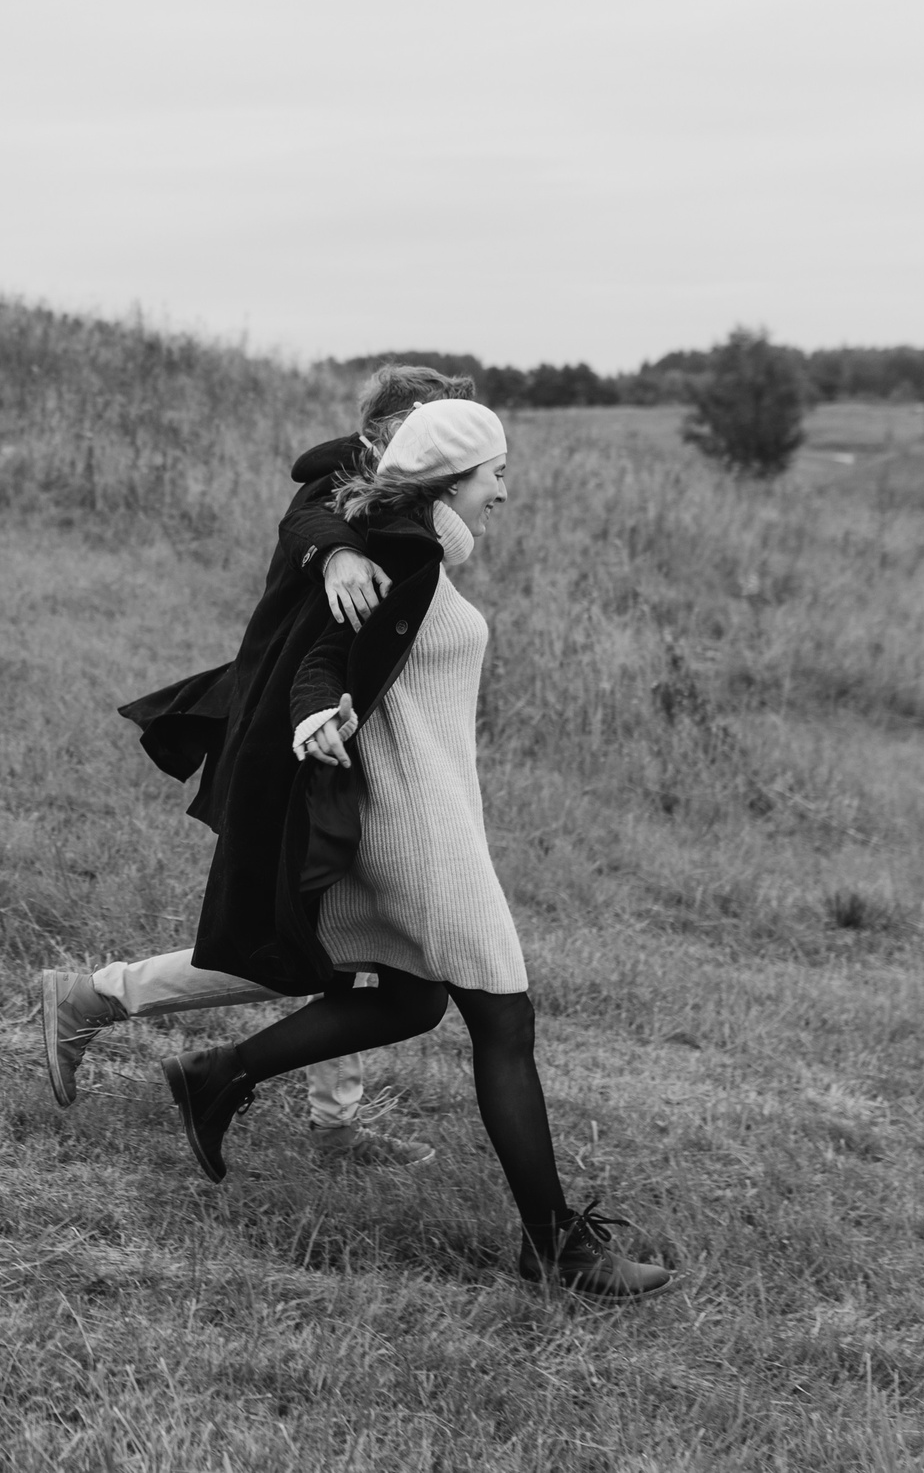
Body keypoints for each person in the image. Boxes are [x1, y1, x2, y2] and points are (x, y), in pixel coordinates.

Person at [158, 399, 676, 1299]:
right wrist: (316, 707)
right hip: (416, 824)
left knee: (410, 999)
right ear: (450, 478)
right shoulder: (403, 549)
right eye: (495, 473)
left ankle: (218, 1073)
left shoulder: (395, 535)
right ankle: (556, 1243)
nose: (505, 492)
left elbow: (329, 476)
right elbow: (324, 651)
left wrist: (347, 535)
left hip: (435, 807)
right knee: (504, 1021)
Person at [37, 366, 474, 1165]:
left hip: (356, 750)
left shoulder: (414, 505)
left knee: (357, 952)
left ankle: (333, 1121)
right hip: (300, 744)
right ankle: (96, 995)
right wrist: (340, 554)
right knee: (302, 950)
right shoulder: (341, 482)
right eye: (426, 422)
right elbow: (309, 515)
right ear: (388, 427)